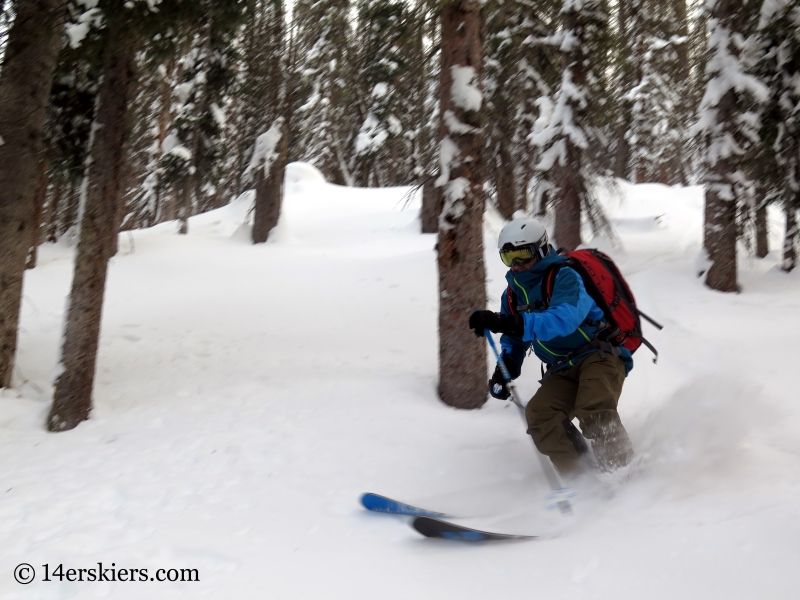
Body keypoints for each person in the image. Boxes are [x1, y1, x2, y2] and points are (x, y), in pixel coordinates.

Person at [468, 217, 634, 479]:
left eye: (523, 254)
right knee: (540, 416)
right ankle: (583, 480)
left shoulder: (566, 277)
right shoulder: (512, 294)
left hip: (598, 354)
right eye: (509, 257)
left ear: (541, 249)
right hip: (561, 367)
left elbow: (564, 319)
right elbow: (514, 339)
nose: (517, 264)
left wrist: (508, 322)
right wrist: (507, 366)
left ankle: (625, 476)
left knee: (592, 408)